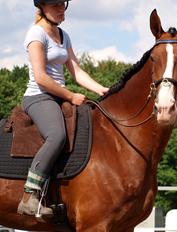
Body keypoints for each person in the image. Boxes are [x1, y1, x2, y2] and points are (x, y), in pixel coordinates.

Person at [17, 0, 109, 217]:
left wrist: (103, 90)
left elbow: (75, 70)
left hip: (59, 97)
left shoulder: (63, 35)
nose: (61, 10)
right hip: (39, 97)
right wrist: (70, 95)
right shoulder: (35, 34)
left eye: (62, 4)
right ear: (42, 8)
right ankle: (29, 195)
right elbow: (40, 77)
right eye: (55, 5)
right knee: (57, 135)